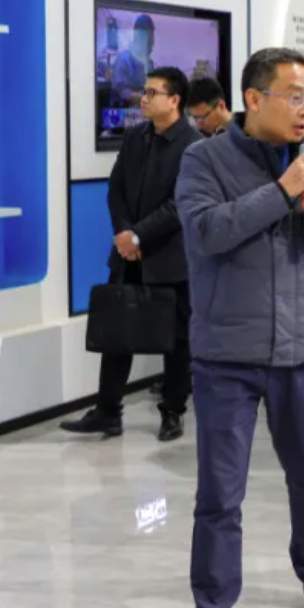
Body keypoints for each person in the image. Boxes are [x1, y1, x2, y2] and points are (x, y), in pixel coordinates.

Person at [173, 47, 304, 608]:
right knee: (219, 495)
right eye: (294, 96)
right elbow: (207, 233)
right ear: (254, 99)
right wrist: (282, 193)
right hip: (226, 356)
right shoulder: (203, 160)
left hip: (301, 351)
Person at [63, 67, 199, 442]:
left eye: (153, 92)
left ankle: (173, 411)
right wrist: (125, 234)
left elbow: (181, 203)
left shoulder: (194, 145)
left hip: (170, 256)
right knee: (117, 330)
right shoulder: (137, 136)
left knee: (178, 339)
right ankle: (108, 411)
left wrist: (139, 236)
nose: (144, 98)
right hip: (128, 253)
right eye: (144, 91)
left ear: (174, 100)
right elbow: (116, 187)